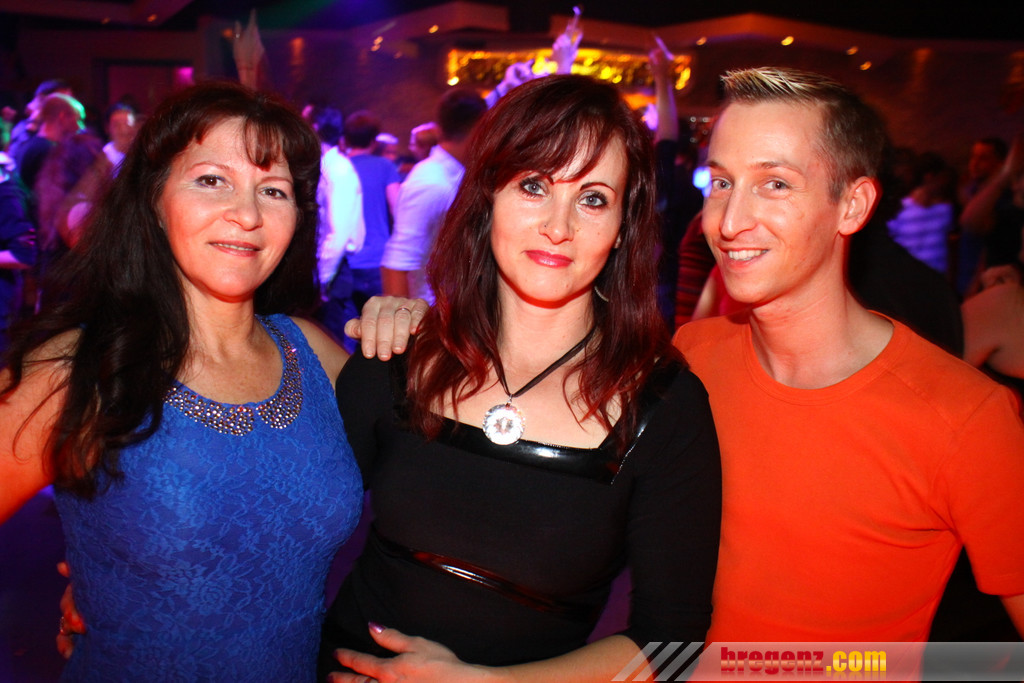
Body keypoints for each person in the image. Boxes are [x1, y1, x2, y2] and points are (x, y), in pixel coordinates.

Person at [0, 81, 422, 682]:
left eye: (273, 190)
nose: (247, 215)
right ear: (153, 198)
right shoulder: (74, 371)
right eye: (211, 180)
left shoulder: (315, 354)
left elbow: (451, 488)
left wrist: (423, 336)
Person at [320, 74, 721, 682]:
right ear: (487, 197)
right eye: (534, 185)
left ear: (623, 225)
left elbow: (675, 640)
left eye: (593, 199)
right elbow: (277, 532)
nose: (559, 226)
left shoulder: (666, 407)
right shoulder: (398, 355)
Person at [673, 67, 1024, 643]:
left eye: (775, 184)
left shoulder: (966, 418)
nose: (729, 222)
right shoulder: (691, 358)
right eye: (721, 182)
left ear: (853, 206)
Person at [380, 88, 486, 302]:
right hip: (432, 312)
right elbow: (397, 263)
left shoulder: (451, 175)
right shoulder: (432, 182)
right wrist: (408, 324)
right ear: (479, 129)